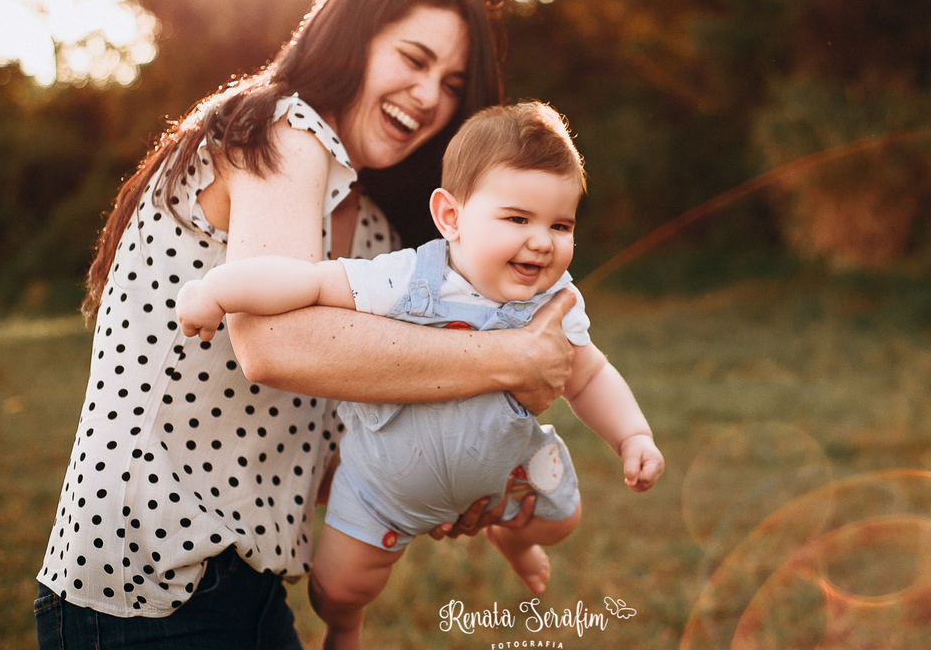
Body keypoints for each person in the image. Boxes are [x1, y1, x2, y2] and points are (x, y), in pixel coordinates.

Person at [35, 0, 578, 650]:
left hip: (251, 588)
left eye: (450, 84)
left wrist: (446, 482)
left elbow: (328, 442)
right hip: (145, 581)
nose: (428, 96)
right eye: (412, 59)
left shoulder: (377, 234)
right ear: (351, 41)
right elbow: (274, 345)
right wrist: (509, 357)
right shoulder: (280, 129)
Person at [176, 101, 665, 650]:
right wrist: (218, 291)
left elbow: (588, 375)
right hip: (381, 488)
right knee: (336, 588)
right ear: (451, 217)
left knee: (560, 519)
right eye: (517, 219)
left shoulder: (555, 302)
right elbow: (308, 283)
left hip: (503, 478)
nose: (542, 241)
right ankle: (344, 626)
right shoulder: (407, 278)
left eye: (561, 225)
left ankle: (512, 539)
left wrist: (632, 436)